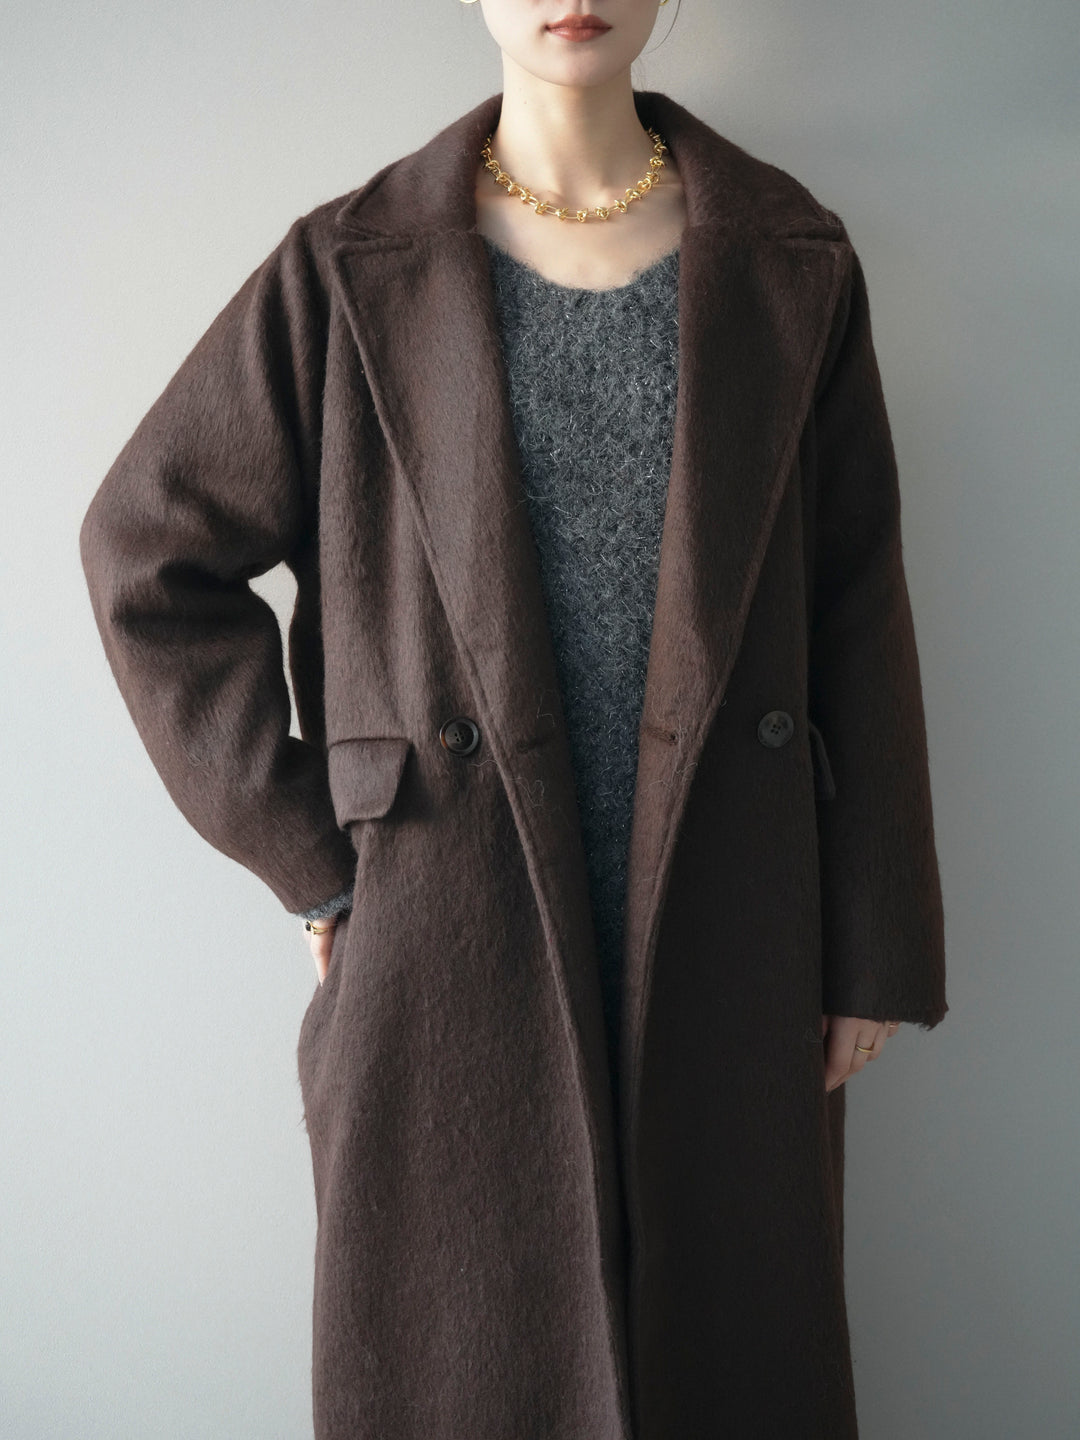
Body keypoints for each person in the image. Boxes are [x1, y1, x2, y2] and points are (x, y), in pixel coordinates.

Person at [79, 3, 948, 1436]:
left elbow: (856, 599)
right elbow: (146, 555)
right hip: (443, 930)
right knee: (465, 1360)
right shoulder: (345, 269)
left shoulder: (792, 259)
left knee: (730, 1353)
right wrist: (316, 854)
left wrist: (874, 937)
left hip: (735, 920)